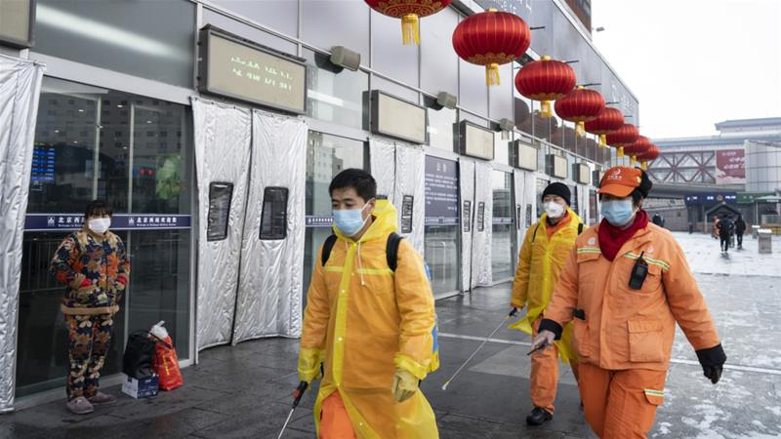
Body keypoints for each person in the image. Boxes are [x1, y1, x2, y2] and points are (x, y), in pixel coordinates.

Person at [530, 167, 726, 439]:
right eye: (606, 198)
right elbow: (567, 288)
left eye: (619, 198)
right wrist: (550, 325)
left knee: (622, 433)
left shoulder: (661, 243)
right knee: (600, 424)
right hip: (593, 354)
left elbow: (687, 300)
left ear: (638, 201)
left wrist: (708, 347)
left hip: (641, 358)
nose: (611, 204)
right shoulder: (586, 240)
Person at [298, 169, 438, 438]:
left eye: (349, 204)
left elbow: (419, 314)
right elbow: (317, 310)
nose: (341, 211)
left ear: (370, 205)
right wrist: (309, 355)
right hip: (338, 383)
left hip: (384, 385)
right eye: (335, 204)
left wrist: (411, 366)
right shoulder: (329, 249)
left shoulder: (397, 250)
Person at [509, 182, 582, 426]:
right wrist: (517, 300)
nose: (551, 204)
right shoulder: (534, 232)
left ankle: (590, 395)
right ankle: (542, 406)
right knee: (542, 358)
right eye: (547, 199)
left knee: (580, 357)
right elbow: (524, 267)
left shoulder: (581, 231)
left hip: (572, 309)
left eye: (557, 199)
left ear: (567, 204)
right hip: (541, 307)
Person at [50, 200, 130, 415]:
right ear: (86, 218)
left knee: (100, 351)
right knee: (80, 352)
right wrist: (84, 284)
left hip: (108, 308)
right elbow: (58, 266)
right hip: (80, 309)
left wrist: (121, 283)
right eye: (95, 215)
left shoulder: (115, 240)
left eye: (105, 215)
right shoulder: (76, 240)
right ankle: (75, 396)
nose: (100, 220)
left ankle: (92, 391)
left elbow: (124, 264)